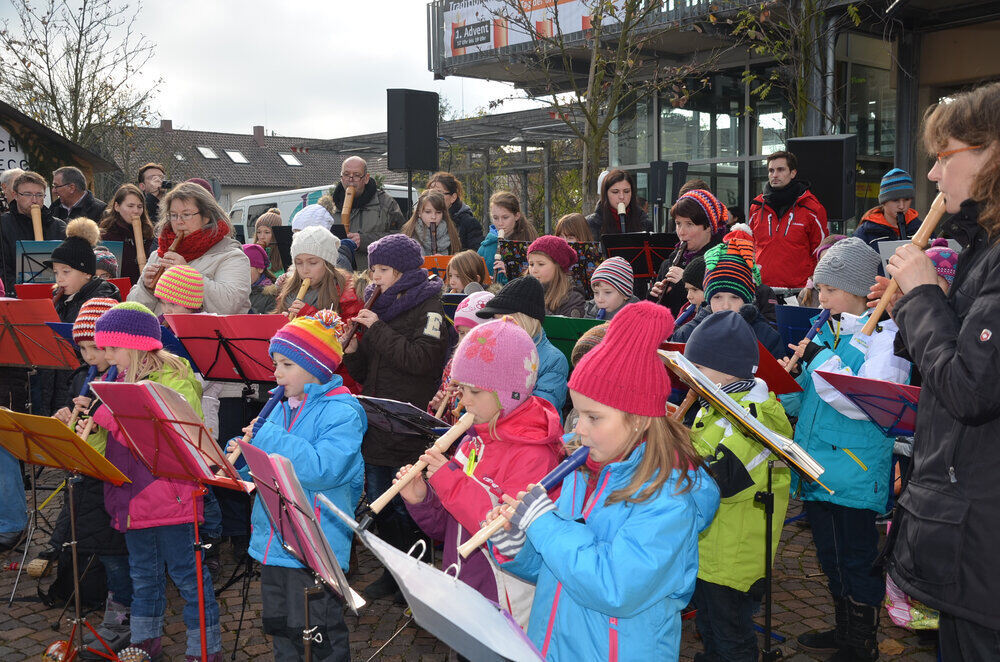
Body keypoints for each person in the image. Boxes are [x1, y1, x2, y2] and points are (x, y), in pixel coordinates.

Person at [485, 301, 720, 661]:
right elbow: (556, 572)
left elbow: (616, 588)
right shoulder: (582, 471)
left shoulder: (669, 496)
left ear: (640, 419)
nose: (578, 429)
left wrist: (544, 525)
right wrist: (517, 544)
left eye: (594, 417)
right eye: (577, 413)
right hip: (555, 646)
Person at [879, 82, 1000, 660]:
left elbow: (970, 389)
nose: (932, 175)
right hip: (969, 533)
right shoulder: (980, 247)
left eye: (943, 155)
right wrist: (919, 303)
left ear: (991, 153)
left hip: (983, 541)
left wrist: (924, 296)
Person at [780, 237, 910, 662]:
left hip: (854, 471)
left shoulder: (886, 340)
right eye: (819, 290)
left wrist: (818, 360)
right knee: (829, 557)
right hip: (818, 466)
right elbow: (813, 400)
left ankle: (862, 643)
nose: (821, 299)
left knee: (856, 559)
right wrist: (787, 383)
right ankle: (843, 626)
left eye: (829, 290)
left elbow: (862, 405)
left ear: (857, 291)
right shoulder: (832, 332)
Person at [399, 317, 564, 625]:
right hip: (462, 588)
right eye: (461, 389)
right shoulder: (474, 438)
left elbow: (500, 531)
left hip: (501, 601)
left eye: (475, 391)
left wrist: (448, 479)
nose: (464, 401)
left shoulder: (534, 454)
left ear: (509, 393)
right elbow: (447, 530)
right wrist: (422, 499)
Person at [89, 302, 223, 661]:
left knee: (189, 577)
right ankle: (144, 645)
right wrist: (80, 425)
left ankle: (204, 649)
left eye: (112, 348)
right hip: (130, 498)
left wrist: (111, 414)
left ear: (134, 345)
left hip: (171, 497)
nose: (107, 356)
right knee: (143, 577)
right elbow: (98, 448)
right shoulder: (115, 380)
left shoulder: (175, 381)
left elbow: (168, 440)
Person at [229, 310, 365, 662]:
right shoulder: (280, 406)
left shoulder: (343, 412)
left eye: (286, 364)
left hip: (314, 543)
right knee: (282, 627)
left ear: (316, 368)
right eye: (275, 363)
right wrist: (242, 457)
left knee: (320, 633)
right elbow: (266, 469)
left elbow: (324, 469)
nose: (276, 373)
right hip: (274, 539)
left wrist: (269, 437)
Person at [341, 234, 448, 601]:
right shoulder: (381, 305)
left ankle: (417, 576)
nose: (375, 278)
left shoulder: (430, 308)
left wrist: (378, 329)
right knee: (379, 502)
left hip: (408, 425)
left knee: (407, 507)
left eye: (383, 270)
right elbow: (369, 367)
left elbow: (423, 361)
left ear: (403, 271)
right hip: (378, 421)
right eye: (373, 270)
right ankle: (392, 570)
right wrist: (353, 350)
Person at [684, 311, 794, 662]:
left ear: (726, 369)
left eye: (697, 369)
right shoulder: (717, 406)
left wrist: (672, 452)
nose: (691, 377)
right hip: (711, 548)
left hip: (734, 555)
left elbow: (720, 480)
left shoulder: (750, 417)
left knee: (732, 635)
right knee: (711, 627)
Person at [45, 298, 132, 657]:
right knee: (91, 539)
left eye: (95, 347)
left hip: (109, 474)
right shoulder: (84, 378)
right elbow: (79, 425)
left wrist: (99, 414)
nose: (89, 356)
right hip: (86, 471)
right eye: (82, 348)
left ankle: (122, 611)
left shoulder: (119, 380)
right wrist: (67, 417)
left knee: (114, 550)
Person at [38, 218, 121, 416]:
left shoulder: (101, 298)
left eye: (66, 272)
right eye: (56, 272)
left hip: (83, 380)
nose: (59, 278)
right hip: (57, 379)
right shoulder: (60, 299)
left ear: (86, 273)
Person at [129, 182, 250, 316]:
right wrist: (146, 289)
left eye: (186, 215)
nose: (179, 221)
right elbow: (132, 311)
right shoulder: (159, 255)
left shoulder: (231, 256)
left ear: (206, 216)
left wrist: (188, 274)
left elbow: (229, 305)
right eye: (173, 215)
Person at [672, 227, 786, 360]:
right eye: (717, 297)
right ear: (708, 299)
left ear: (748, 300)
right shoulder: (687, 334)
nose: (725, 306)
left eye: (735, 297)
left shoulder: (765, 337)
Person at [476, 276, 569, 413]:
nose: (498, 327)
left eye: (502, 320)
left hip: (531, 432)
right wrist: (466, 394)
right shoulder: (494, 350)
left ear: (523, 319)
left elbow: (544, 411)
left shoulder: (554, 360)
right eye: (495, 320)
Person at [748, 151, 829, 288]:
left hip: (798, 290)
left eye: (780, 170)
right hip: (761, 288)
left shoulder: (812, 208)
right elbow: (749, 247)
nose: (774, 175)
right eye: (771, 170)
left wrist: (812, 285)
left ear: (793, 173)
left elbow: (820, 252)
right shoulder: (756, 206)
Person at [649, 189, 725, 315]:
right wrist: (654, 297)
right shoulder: (669, 263)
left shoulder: (720, 262)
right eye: (678, 224)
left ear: (708, 227)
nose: (681, 232)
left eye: (689, 224)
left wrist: (683, 284)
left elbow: (718, 307)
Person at [427, 291, 495, 425]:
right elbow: (449, 418)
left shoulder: (492, 370)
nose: (465, 339)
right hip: (455, 442)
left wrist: (463, 399)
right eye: (462, 333)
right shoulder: (453, 364)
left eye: (472, 333)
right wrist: (440, 408)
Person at [330, 156, 405, 270]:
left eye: (356, 175)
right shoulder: (329, 205)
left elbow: (402, 237)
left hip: (374, 274)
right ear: (341, 177)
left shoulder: (386, 203)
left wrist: (365, 240)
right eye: (346, 174)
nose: (350, 179)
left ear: (366, 178)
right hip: (339, 274)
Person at [273, 226, 360, 320]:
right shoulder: (289, 290)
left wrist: (309, 315)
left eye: (312, 263)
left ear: (328, 263)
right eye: (299, 263)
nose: (305, 270)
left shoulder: (346, 289)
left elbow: (351, 331)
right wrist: (282, 322)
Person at [0, 171, 66, 294]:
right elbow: (3, 269)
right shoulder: (3, 224)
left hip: (56, 294)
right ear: (15, 195)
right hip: (16, 296)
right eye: (28, 194)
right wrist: (21, 291)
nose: (34, 200)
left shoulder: (59, 226)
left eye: (39, 195)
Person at [98, 183, 157, 284]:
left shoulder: (148, 235)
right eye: (130, 206)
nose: (136, 211)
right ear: (117, 206)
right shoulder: (104, 237)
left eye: (139, 206)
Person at [853, 169, 921, 251]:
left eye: (906, 200)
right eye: (895, 200)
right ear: (884, 202)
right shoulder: (866, 232)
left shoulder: (921, 229)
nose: (902, 206)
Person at [478, 192, 538, 280]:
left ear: (517, 216)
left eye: (505, 217)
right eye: (495, 218)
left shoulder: (530, 245)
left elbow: (535, 282)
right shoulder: (485, 248)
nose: (500, 223)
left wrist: (511, 273)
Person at [526, 235, 586, 317]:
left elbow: (565, 328)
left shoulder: (573, 298)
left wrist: (534, 305)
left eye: (541, 264)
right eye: (531, 264)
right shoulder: (525, 289)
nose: (534, 270)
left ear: (558, 266)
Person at [586, 168, 651, 241]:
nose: (621, 197)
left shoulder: (644, 221)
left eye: (626, 191)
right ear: (605, 194)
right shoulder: (591, 223)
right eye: (615, 192)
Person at [427, 171, 484, 251]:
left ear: (453, 197)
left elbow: (475, 255)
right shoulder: (422, 219)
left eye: (438, 193)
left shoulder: (469, 223)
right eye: (431, 193)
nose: (433, 198)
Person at [400, 190, 462, 256]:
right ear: (419, 213)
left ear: (443, 213)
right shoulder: (408, 236)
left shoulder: (452, 234)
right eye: (428, 212)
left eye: (438, 212)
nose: (433, 217)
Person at [584, 256, 639, 320]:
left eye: (607, 292)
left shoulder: (636, 317)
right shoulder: (591, 310)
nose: (600, 299)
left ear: (625, 294)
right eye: (596, 292)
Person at [242, 243, 276, 314]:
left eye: (245, 268)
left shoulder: (270, 296)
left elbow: (271, 321)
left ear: (260, 269)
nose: (240, 273)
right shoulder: (234, 292)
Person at [252, 208, 285, 275]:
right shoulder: (252, 254)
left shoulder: (284, 256)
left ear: (276, 233)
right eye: (258, 232)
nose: (262, 237)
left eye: (267, 232)